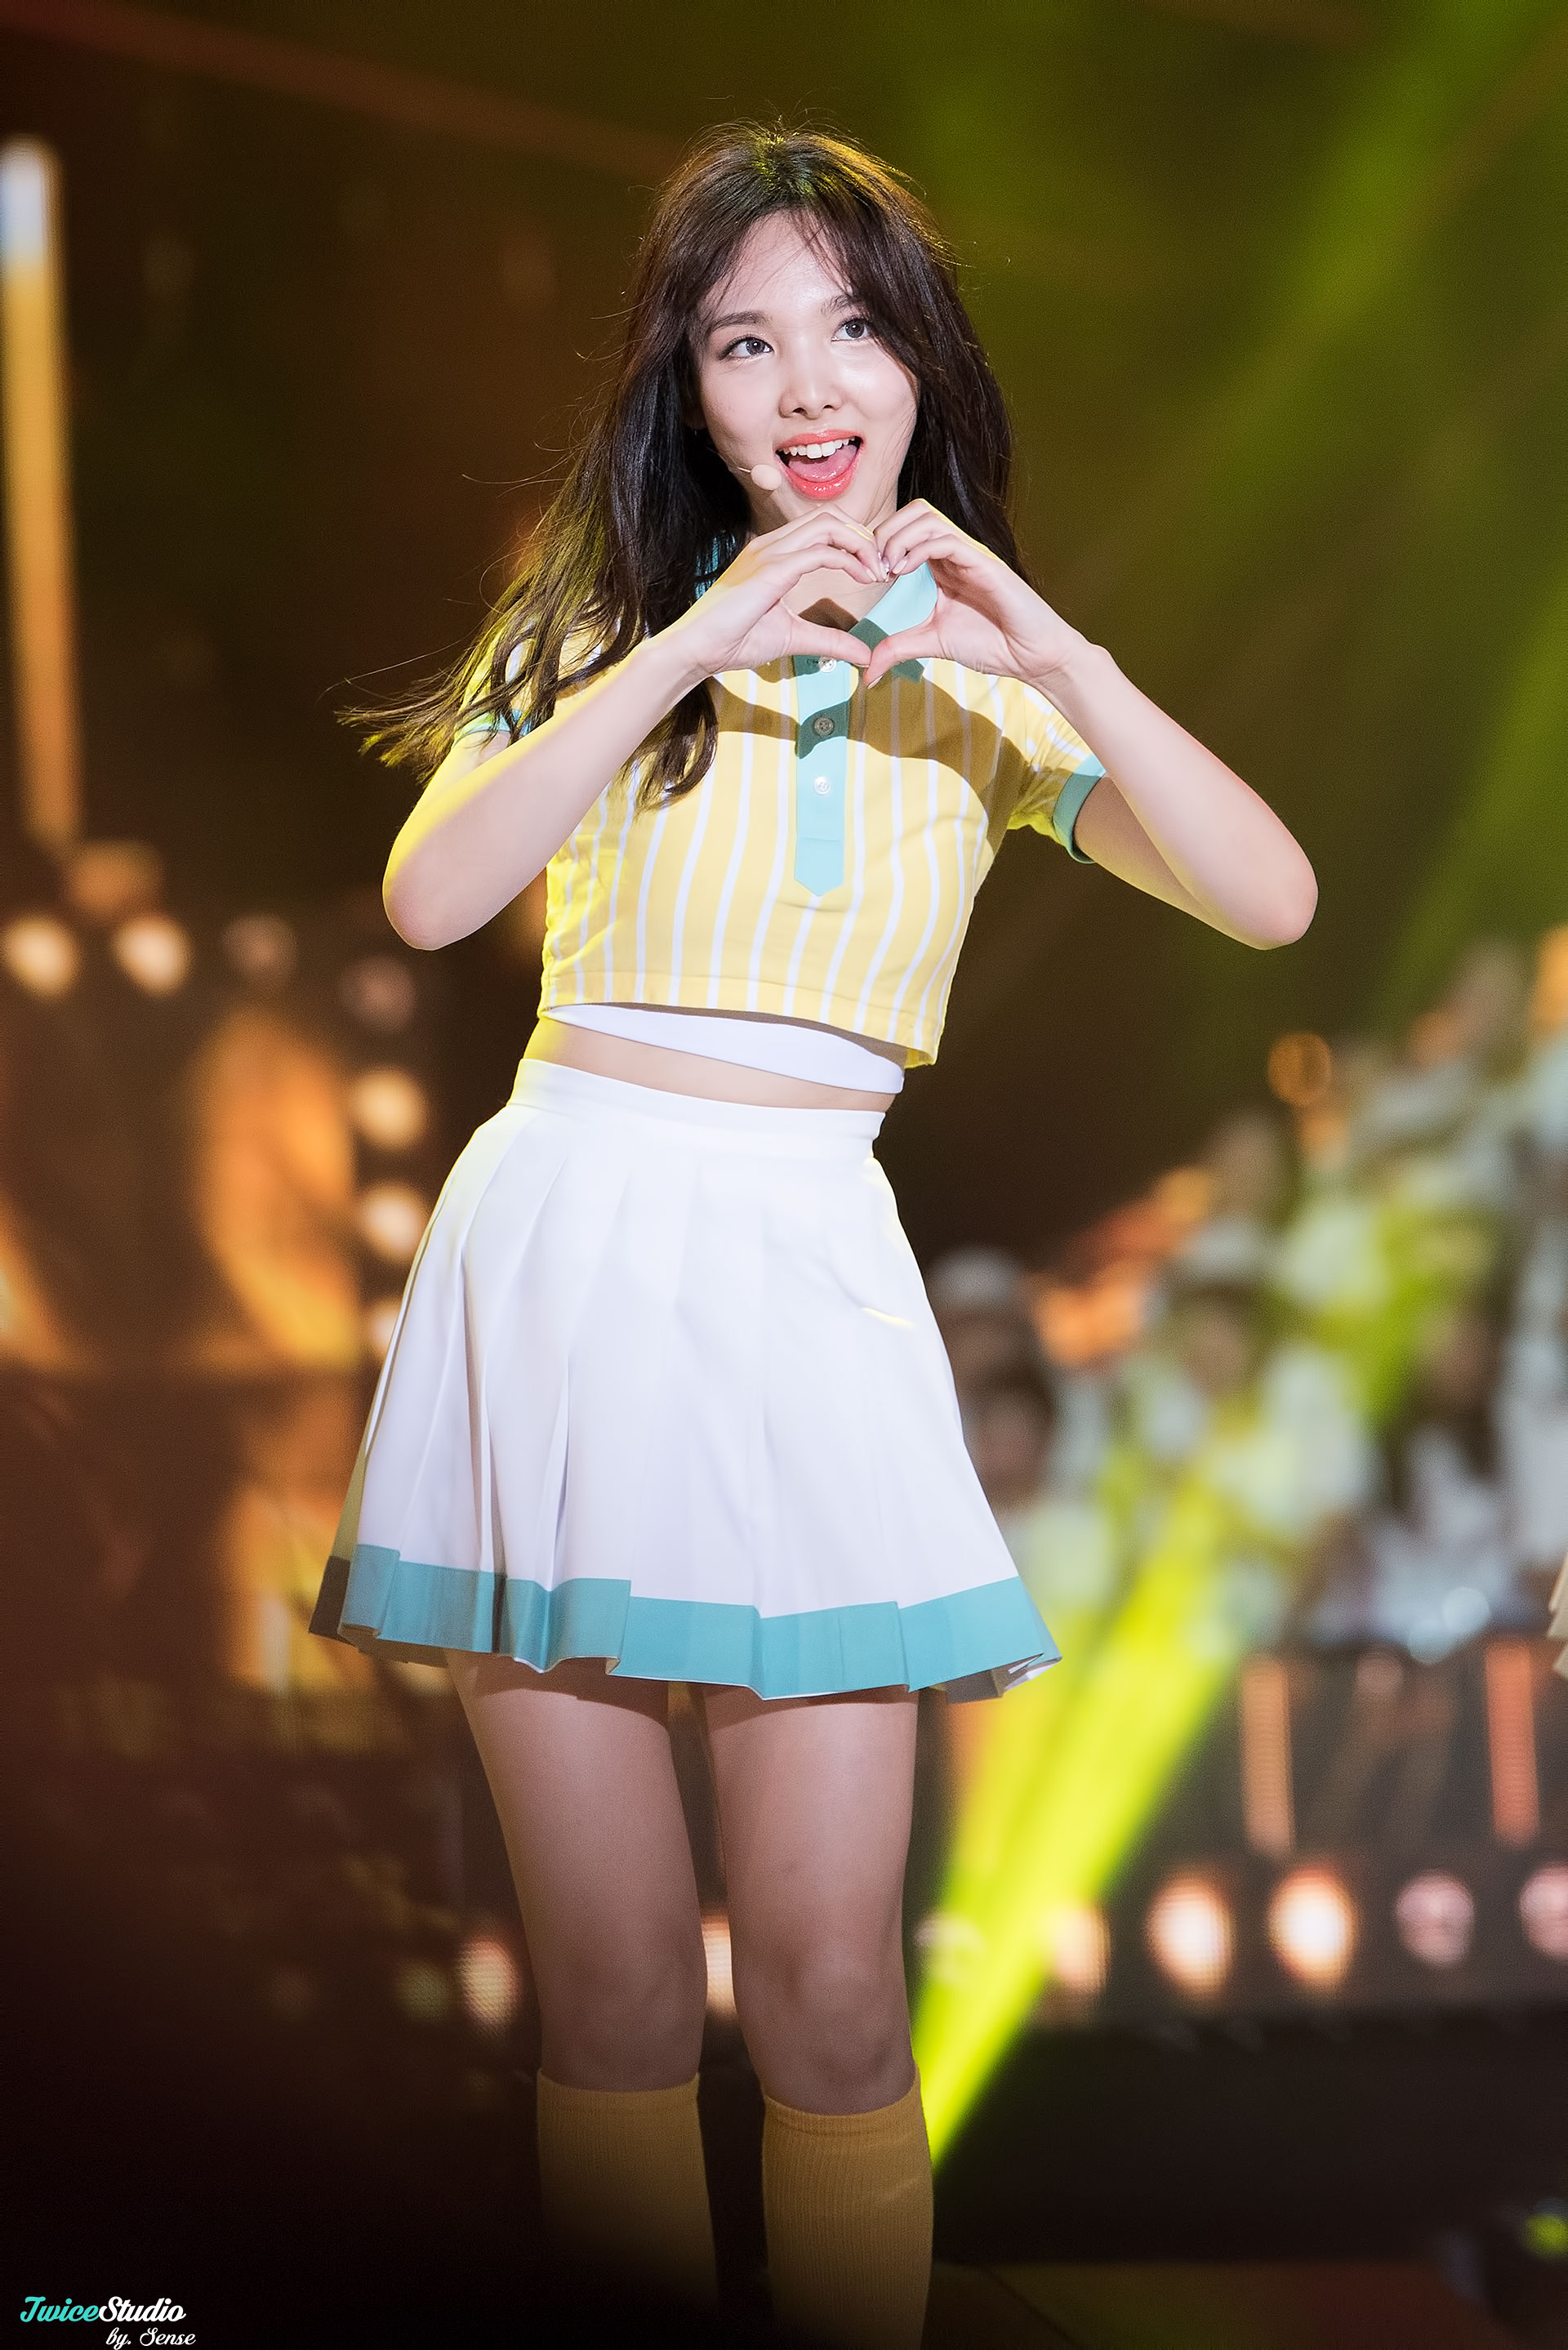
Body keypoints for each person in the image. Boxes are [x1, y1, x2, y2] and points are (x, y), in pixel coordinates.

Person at [309, 123, 1316, 2348]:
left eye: (851, 328)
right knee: (609, 1993)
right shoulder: (599, 628)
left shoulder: (989, 681)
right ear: (688, 389)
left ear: (921, 363)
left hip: (807, 1284)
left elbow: (1271, 898)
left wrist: (1053, 644)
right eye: (743, 341)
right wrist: (692, 637)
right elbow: (434, 893)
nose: (806, 383)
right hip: (566, 1258)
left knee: (839, 1993)